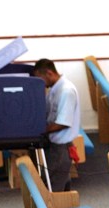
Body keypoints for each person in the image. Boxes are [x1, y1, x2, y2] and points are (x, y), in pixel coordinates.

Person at [32, 59, 80, 193]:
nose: (40, 83)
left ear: (49, 73)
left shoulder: (66, 91)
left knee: (52, 190)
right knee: (60, 186)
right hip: (55, 146)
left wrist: (40, 131)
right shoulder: (54, 90)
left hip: (61, 148)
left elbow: (63, 123)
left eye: (39, 78)